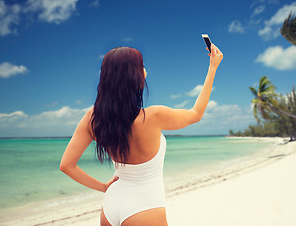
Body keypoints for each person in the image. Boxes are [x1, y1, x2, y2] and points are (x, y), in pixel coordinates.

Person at [60, 43, 223, 226]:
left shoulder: (93, 117)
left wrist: (104, 187)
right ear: (135, 77)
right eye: (141, 66)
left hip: (111, 204)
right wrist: (213, 67)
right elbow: (196, 114)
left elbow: (66, 165)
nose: (145, 69)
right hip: (144, 206)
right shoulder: (154, 116)